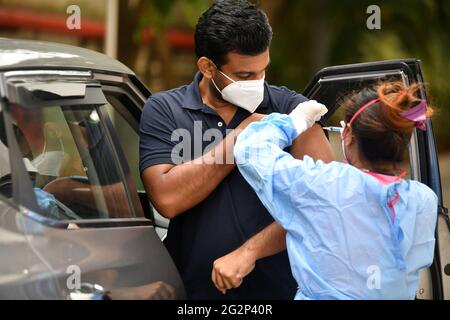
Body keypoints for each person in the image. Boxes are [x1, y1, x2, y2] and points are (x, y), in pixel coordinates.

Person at [139, 0, 334, 299]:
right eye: (244, 76)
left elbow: (323, 202)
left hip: (281, 292)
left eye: (262, 71)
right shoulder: (165, 110)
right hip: (195, 294)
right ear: (207, 67)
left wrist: (250, 252)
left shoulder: (290, 112)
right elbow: (167, 199)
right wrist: (242, 137)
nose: (257, 83)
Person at [233, 81, 438, 299]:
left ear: (347, 135)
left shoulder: (322, 184)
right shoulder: (424, 200)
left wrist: (295, 121)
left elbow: (251, 150)